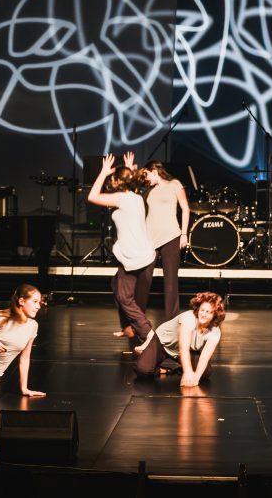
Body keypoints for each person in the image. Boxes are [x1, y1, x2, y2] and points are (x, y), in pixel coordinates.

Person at [88, 154, 157, 343]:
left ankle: (147, 333)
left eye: (113, 179)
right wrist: (129, 169)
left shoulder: (122, 198)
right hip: (142, 253)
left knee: (124, 297)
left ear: (118, 182)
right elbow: (132, 186)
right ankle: (128, 328)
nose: (111, 181)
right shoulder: (136, 197)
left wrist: (103, 172)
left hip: (133, 255)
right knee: (115, 284)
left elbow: (92, 196)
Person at [123, 152, 191, 324]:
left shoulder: (175, 184)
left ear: (154, 171)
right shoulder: (148, 190)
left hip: (171, 236)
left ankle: (171, 322)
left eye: (147, 175)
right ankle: (137, 322)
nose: (146, 178)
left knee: (171, 282)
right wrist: (130, 170)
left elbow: (185, 208)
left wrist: (184, 234)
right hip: (149, 239)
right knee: (143, 280)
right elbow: (131, 189)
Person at [134, 291, 225, 386]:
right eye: (202, 310)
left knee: (206, 373)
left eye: (209, 312)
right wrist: (187, 372)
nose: (203, 314)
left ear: (215, 314)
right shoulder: (189, 318)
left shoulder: (215, 331)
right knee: (142, 370)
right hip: (163, 343)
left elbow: (204, 358)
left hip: (186, 351)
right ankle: (160, 369)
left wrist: (196, 378)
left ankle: (182, 367)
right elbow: (183, 347)